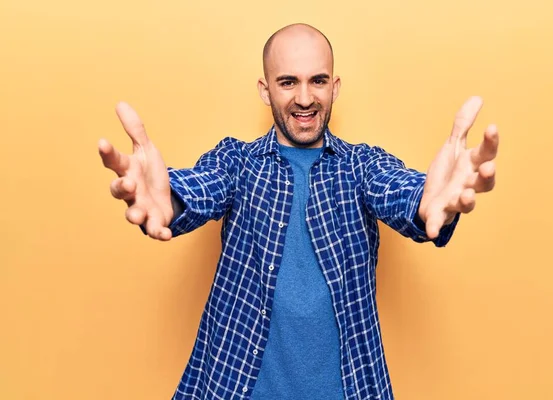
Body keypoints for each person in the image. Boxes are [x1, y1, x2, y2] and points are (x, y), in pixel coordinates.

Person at [98, 23, 498, 400]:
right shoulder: (237, 162)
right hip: (234, 384)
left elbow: (406, 195)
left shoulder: (362, 166)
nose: (304, 98)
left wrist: (435, 204)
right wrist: (165, 199)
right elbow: (199, 188)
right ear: (265, 89)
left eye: (317, 80)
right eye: (288, 81)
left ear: (335, 87)